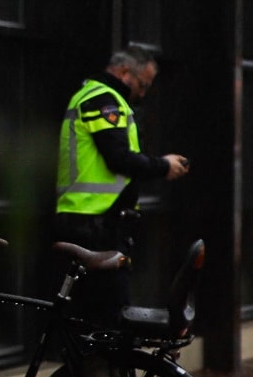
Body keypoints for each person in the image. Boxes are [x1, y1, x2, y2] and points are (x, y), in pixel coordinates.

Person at [55, 45, 190, 314]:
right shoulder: (104, 99)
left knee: (97, 316)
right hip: (94, 224)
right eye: (142, 84)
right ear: (124, 72)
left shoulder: (101, 96)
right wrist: (163, 166)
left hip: (93, 221)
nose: (143, 93)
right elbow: (118, 157)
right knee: (111, 315)